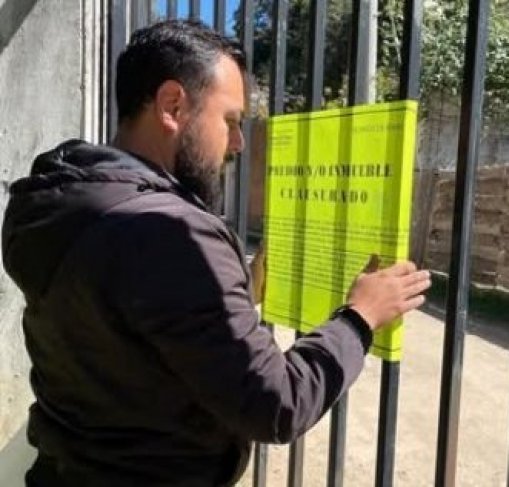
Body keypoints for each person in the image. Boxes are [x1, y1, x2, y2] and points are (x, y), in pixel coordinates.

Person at [1, 20, 430, 486]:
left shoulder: (59, 201)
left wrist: (237, 288)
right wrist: (359, 317)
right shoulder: (168, 231)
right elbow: (277, 403)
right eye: (230, 121)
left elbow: (121, 316)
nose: (239, 143)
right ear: (172, 105)